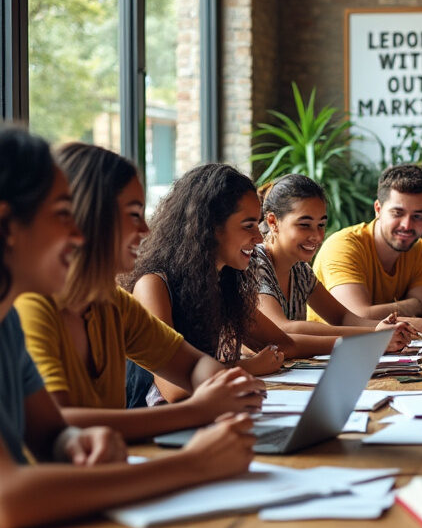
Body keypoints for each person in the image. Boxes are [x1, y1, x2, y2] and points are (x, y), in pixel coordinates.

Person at [0, 126, 257, 528]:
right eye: (61, 216)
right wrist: (193, 462)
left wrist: (76, 442)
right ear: (8, 226)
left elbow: (52, 428)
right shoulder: (27, 311)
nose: (77, 235)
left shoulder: (7, 323)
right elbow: (10, 500)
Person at [14, 143, 264, 441]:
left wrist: (227, 385)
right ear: (91, 216)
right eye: (134, 215)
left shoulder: (111, 302)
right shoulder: (31, 305)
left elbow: (192, 363)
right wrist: (200, 410)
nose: (145, 229)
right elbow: (58, 425)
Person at [126, 164, 338, 405]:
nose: (259, 237)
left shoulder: (224, 282)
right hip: (157, 433)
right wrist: (248, 367)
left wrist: (367, 343)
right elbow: (174, 390)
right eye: (248, 226)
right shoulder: (153, 286)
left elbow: (284, 344)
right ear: (209, 227)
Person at [254, 174, 415, 354]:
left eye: (321, 225)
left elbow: (343, 317)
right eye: (305, 225)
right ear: (273, 222)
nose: (316, 236)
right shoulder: (256, 262)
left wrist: (387, 329)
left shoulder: (300, 270)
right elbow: (282, 329)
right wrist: (373, 336)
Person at [310, 163, 422, 323]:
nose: (407, 225)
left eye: (417, 216)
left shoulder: (420, 249)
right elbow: (357, 319)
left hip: (395, 347)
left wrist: (378, 314)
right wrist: (413, 305)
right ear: (378, 209)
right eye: (397, 213)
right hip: (333, 347)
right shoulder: (343, 246)